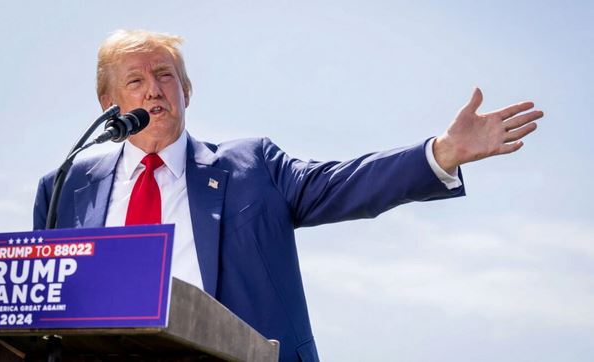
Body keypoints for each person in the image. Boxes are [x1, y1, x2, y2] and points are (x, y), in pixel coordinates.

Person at [33, 30, 543, 361]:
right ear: (108, 102)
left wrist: (442, 151)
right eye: (136, 80)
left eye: (166, 76)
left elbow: (340, 184)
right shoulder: (64, 188)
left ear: (187, 90)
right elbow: (41, 302)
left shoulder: (250, 166)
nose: (154, 91)